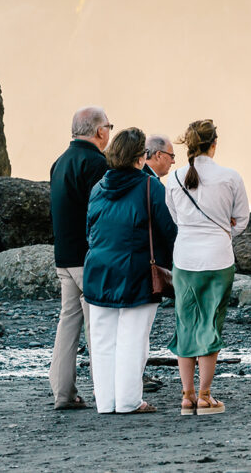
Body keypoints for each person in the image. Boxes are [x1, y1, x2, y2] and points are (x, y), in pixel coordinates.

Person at [84, 128, 177, 414]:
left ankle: (106, 402)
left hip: (98, 272)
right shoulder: (151, 187)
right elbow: (169, 231)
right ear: (140, 158)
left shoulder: (98, 188)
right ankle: (128, 401)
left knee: (101, 343)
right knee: (134, 340)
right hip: (137, 273)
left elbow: (91, 229)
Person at [166, 119, 250, 415]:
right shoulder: (230, 177)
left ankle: (187, 395)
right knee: (211, 323)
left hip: (185, 258)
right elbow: (242, 220)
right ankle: (205, 395)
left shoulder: (174, 178)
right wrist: (222, 230)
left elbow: (175, 217)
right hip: (218, 258)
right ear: (214, 144)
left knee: (185, 323)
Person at [48, 106, 111, 410]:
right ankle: (105, 391)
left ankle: (63, 393)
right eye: (108, 127)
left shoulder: (59, 162)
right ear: (100, 131)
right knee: (97, 324)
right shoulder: (96, 163)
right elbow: (100, 213)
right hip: (88, 257)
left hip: (64, 256)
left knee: (68, 324)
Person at [140, 133, 175, 394]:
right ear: (159, 155)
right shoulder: (151, 185)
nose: (174, 162)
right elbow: (167, 228)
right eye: (172, 156)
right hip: (146, 264)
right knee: (139, 327)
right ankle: (136, 376)